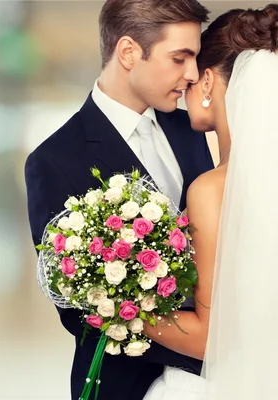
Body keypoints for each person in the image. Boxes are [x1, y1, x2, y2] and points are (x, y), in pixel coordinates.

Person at [24, 1, 214, 398]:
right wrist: (196, 344)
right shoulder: (53, 160)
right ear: (128, 52)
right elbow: (75, 306)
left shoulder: (189, 129)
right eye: (180, 58)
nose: (192, 75)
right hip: (121, 385)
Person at [142, 4, 278, 399]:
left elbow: (208, 338)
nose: (184, 85)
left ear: (207, 82)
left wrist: (117, 305)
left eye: (191, 76)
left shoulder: (213, 189)